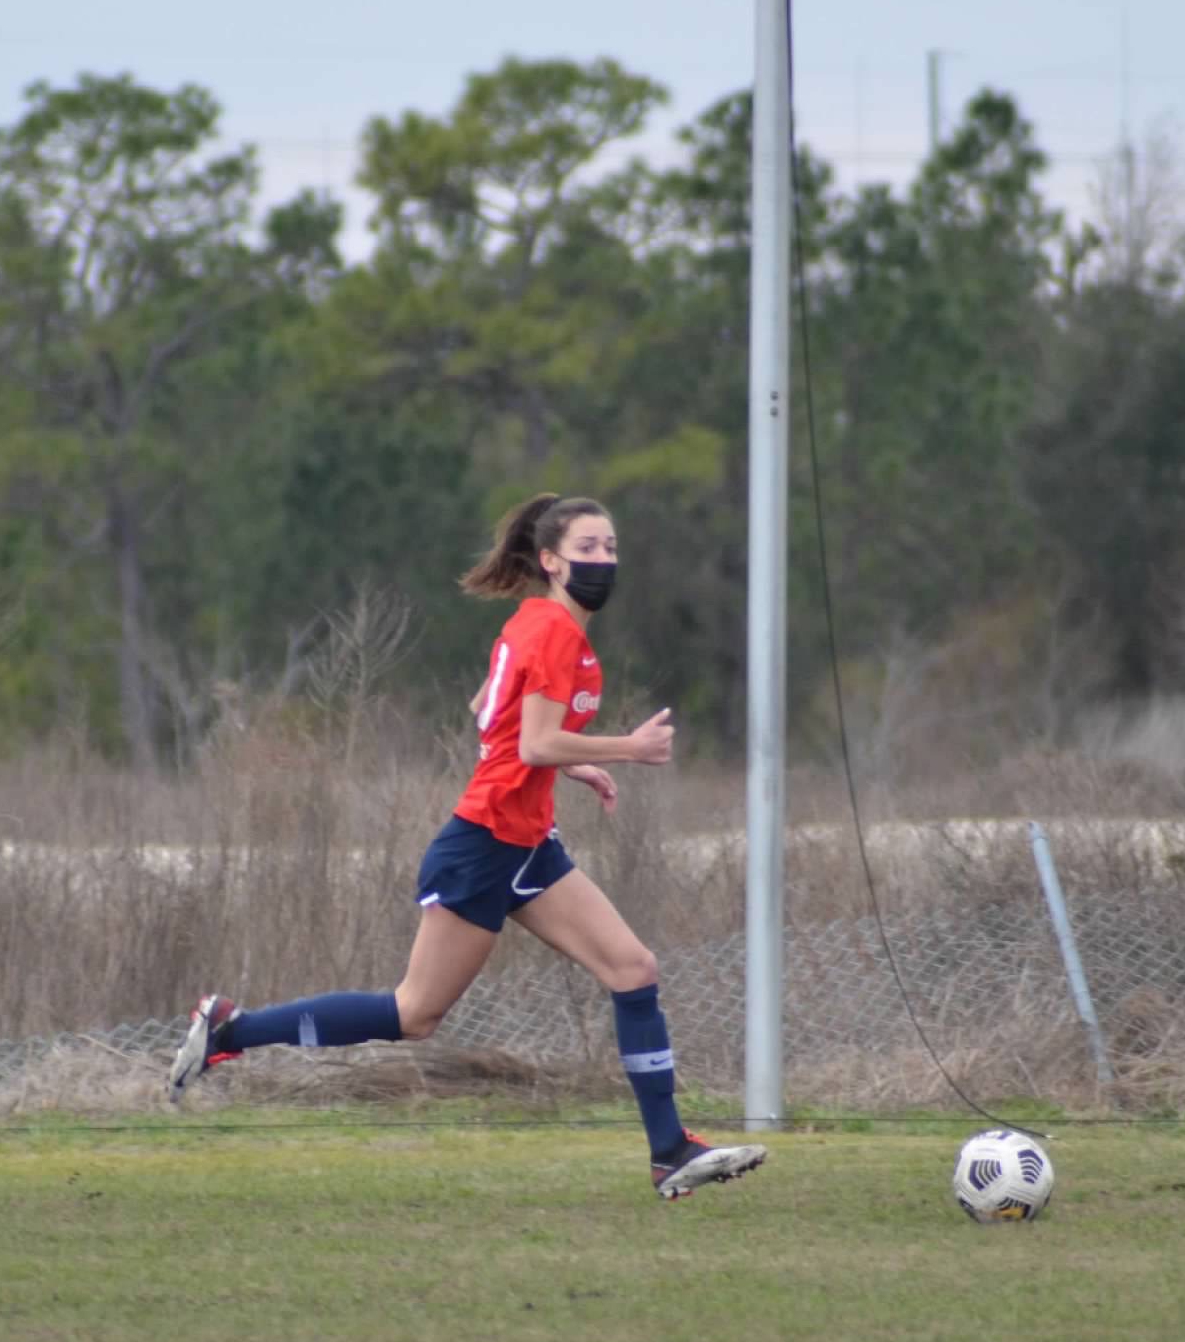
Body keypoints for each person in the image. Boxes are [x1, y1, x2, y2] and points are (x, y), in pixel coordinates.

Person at [169, 492, 766, 1200]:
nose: (603, 560)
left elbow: (487, 711)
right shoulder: (552, 634)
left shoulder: (538, 624)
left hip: (526, 846)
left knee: (633, 969)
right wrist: (625, 748)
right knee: (412, 1015)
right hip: (483, 846)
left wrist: (567, 765)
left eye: (610, 548)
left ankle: (670, 1151)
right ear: (549, 560)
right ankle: (233, 1029)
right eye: (587, 549)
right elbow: (531, 737)